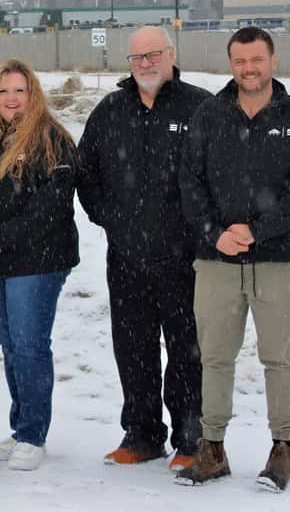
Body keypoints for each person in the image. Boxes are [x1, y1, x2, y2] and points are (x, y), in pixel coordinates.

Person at [176, 26, 290, 492]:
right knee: (215, 356)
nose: (249, 69)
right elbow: (190, 182)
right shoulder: (209, 114)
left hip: (279, 259)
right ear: (231, 63)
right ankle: (212, 448)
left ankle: (281, 448)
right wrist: (215, 234)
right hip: (217, 260)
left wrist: (259, 230)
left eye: (257, 59)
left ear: (272, 60)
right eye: (240, 61)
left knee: (278, 357)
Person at [77, 25, 212, 471]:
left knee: (186, 350)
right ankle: (142, 434)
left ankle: (190, 437)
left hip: (185, 258)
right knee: (133, 349)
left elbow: (221, 174)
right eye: (137, 57)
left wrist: (200, 228)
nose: (146, 63)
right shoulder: (111, 110)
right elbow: (86, 172)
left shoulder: (200, 107)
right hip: (127, 257)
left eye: (153, 54)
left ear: (171, 54)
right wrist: (109, 218)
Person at [0, 59, 79, 471]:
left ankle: (33, 434)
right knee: (11, 347)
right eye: (3, 91)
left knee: (29, 346)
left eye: (19, 91)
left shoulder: (52, 139)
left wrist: (1, 237)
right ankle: (20, 426)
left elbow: (52, 205)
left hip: (39, 260)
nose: (11, 99)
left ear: (33, 95)